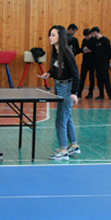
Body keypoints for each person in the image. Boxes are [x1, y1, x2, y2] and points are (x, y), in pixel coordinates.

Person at [40, 25, 80, 161]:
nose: (50, 37)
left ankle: (63, 151)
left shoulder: (67, 53)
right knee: (67, 118)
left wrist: (74, 93)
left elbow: (76, 75)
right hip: (59, 86)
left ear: (60, 37)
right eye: (50, 35)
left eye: (53, 35)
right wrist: (49, 74)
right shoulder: (55, 53)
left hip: (67, 89)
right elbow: (57, 69)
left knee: (60, 120)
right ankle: (74, 145)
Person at [90, 26, 111, 100]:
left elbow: (110, 52)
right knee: (99, 78)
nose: (92, 36)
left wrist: (107, 61)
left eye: (92, 34)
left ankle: (110, 95)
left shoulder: (105, 40)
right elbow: (94, 52)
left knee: (106, 78)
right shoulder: (95, 42)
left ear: (95, 32)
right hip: (97, 63)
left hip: (104, 63)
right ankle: (101, 94)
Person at [79, 27, 96, 98]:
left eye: (87, 36)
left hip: (92, 61)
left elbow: (96, 51)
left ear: (90, 34)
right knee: (82, 77)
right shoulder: (84, 40)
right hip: (85, 60)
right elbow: (81, 49)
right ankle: (79, 92)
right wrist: (83, 50)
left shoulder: (94, 40)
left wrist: (90, 51)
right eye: (85, 36)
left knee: (91, 77)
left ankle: (90, 93)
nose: (86, 37)